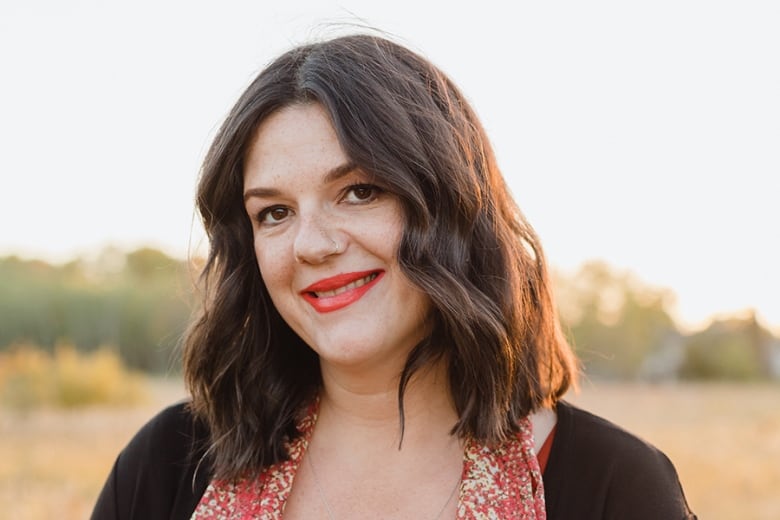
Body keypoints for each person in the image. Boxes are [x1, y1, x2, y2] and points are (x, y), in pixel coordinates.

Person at [91, 32, 696, 519]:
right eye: (274, 213)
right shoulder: (169, 465)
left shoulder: (612, 486)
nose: (312, 244)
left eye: (359, 192)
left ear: (452, 206)